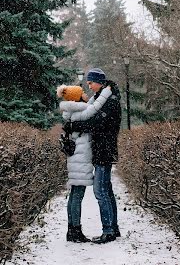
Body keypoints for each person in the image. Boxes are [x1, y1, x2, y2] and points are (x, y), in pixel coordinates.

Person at [63, 68, 122, 244]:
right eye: (87, 82)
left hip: (104, 150)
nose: (88, 85)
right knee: (106, 190)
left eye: (91, 82)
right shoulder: (100, 98)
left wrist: (74, 126)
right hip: (100, 150)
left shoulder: (110, 101)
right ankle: (113, 228)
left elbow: (96, 123)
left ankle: (109, 231)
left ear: (100, 82)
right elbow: (90, 115)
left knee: (100, 191)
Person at [57, 83, 112, 243]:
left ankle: (72, 230)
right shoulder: (79, 112)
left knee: (75, 194)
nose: (86, 94)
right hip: (79, 160)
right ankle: (75, 231)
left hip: (76, 159)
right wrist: (105, 94)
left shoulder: (73, 111)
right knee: (77, 195)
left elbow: (90, 106)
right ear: (77, 97)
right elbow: (94, 108)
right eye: (83, 93)